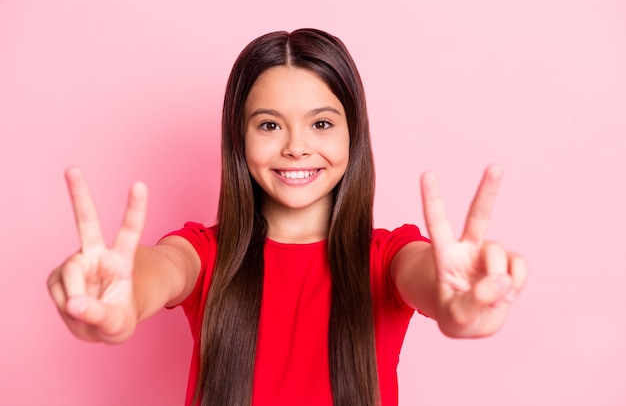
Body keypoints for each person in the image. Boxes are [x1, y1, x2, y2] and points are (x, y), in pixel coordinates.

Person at [47, 28, 527, 406]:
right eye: (270, 125)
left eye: (321, 123)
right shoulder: (206, 255)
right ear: (240, 138)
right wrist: (120, 293)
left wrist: (458, 303)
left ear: (352, 136)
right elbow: (161, 269)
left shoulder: (388, 257)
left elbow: (431, 280)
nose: (296, 146)